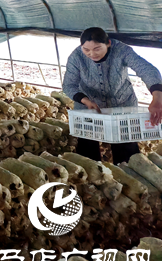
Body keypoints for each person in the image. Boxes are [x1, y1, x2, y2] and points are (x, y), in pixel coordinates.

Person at [63, 27, 162, 164]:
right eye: (86, 50)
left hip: (121, 103)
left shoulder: (121, 50)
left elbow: (147, 69)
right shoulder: (76, 56)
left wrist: (157, 97)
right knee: (87, 146)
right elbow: (68, 85)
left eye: (97, 48)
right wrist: (84, 100)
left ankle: (128, 175)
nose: (92, 54)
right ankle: (92, 179)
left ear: (108, 43)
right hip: (89, 106)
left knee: (125, 145)